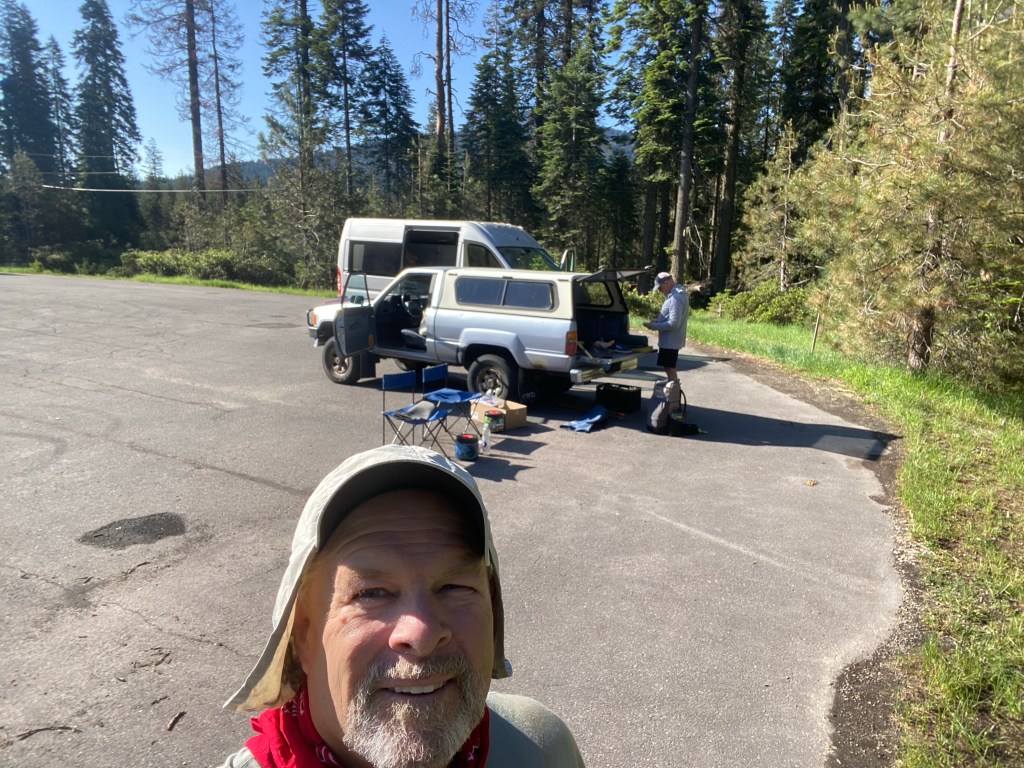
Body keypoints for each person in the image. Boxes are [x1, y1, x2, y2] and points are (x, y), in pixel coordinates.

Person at [220, 444, 585, 768]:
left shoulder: (541, 746)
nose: (422, 634)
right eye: (372, 593)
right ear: (303, 634)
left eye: (455, 587)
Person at [643, 271, 689, 381]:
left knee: (669, 367)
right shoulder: (679, 294)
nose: (660, 291)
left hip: (670, 342)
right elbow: (672, 317)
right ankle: (672, 387)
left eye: (660, 288)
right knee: (668, 367)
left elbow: (673, 323)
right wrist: (657, 321)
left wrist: (654, 326)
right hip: (672, 341)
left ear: (667, 282)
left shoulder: (675, 298)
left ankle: (674, 389)